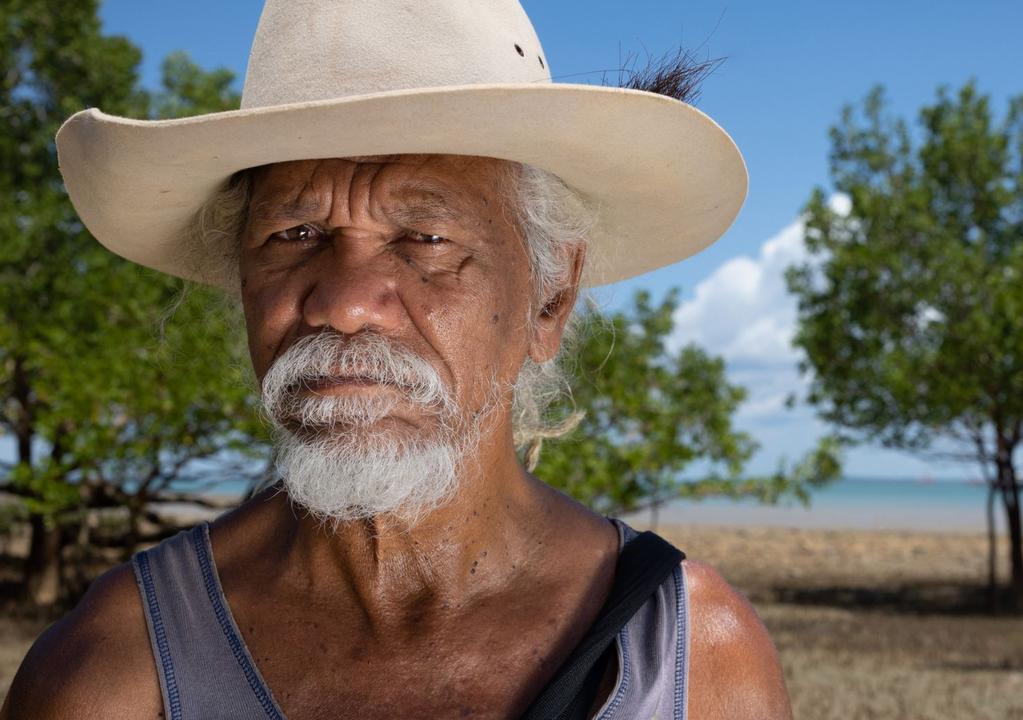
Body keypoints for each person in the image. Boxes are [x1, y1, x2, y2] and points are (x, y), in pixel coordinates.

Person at [2, 1, 790, 718]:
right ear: (244, 283)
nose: (343, 303)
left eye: (426, 239)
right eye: (295, 235)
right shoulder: (113, 670)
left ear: (549, 299)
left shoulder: (694, 660)